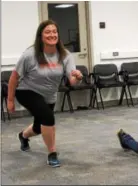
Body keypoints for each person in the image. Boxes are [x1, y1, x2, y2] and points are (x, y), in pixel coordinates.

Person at [7, 20, 83, 168]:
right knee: (48, 118)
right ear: (40, 36)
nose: (52, 34)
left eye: (54, 32)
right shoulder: (30, 54)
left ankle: (23, 136)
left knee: (38, 127)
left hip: (49, 95)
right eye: (47, 32)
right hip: (27, 91)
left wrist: (78, 76)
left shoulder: (65, 55)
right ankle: (52, 154)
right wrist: (10, 100)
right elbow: (14, 78)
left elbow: (72, 81)